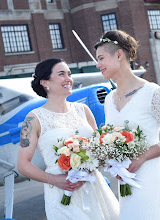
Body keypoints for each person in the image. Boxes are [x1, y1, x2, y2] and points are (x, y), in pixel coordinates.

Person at [94, 30, 160, 219]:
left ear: (119, 55)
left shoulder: (153, 92)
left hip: (150, 178)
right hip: (125, 183)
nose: (98, 64)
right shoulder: (109, 99)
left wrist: (141, 157)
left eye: (102, 58)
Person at [17, 58, 119, 220]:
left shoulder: (83, 110)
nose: (68, 79)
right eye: (61, 74)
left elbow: (99, 150)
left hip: (93, 187)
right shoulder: (33, 119)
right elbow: (23, 165)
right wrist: (55, 180)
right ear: (45, 82)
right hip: (61, 193)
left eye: (69, 74)